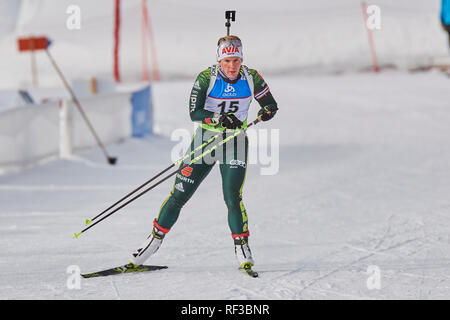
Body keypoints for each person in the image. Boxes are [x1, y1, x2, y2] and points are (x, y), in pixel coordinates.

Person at [128, 35, 278, 273]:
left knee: (232, 197)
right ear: (220, 60)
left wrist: (269, 110)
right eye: (227, 60)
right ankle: (150, 245)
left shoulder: (252, 77)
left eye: (236, 60)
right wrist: (217, 118)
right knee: (179, 194)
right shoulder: (206, 77)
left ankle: (242, 249)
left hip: (234, 142)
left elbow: (269, 103)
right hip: (206, 141)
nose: (232, 66)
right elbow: (194, 113)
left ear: (242, 59)